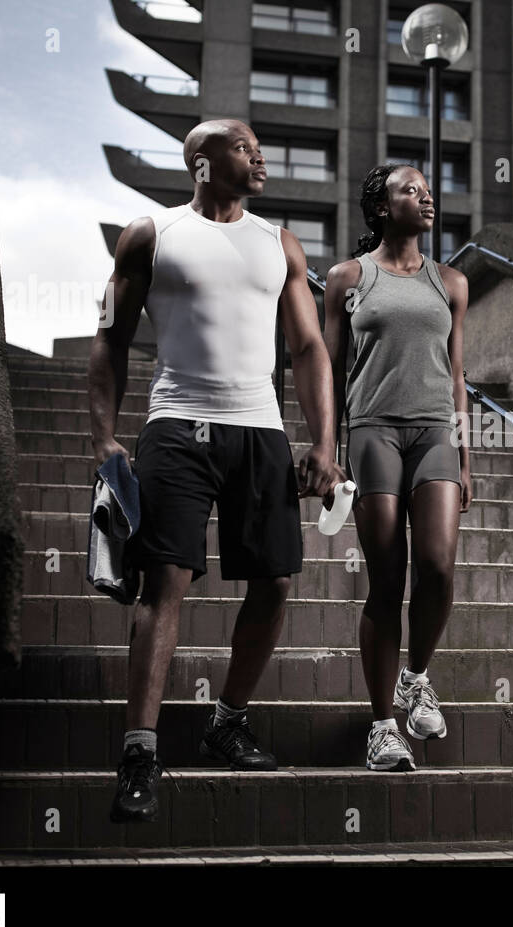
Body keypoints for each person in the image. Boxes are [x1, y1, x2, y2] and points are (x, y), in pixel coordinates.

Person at [88, 118, 347, 822]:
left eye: (260, 147)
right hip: (176, 425)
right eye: (243, 147)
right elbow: (110, 335)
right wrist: (103, 435)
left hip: (260, 429)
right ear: (201, 161)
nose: (260, 157)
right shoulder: (150, 234)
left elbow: (308, 348)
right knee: (163, 580)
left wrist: (324, 442)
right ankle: (139, 752)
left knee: (276, 582)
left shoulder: (279, 243)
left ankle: (226, 722)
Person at [323, 164, 471, 772]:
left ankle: (416, 679)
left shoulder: (452, 282)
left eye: (428, 189)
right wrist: (328, 451)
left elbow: (457, 374)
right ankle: (383, 726)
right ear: (382, 207)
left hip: (435, 431)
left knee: (436, 567)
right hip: (372, 430)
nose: (426, 196)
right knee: (387, 579)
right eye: (412, 189)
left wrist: (465, 455)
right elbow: (330, 371)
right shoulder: (347, 278)